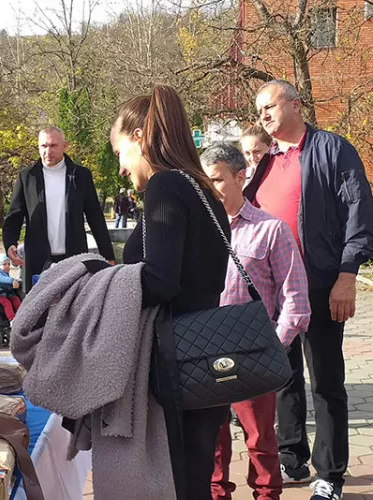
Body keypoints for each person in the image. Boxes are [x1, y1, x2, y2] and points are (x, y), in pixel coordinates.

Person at [244, 79, 373, 500]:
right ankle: (291, 456)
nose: (262, 114)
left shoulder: (333, 150)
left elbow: (358, 212)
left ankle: (330, 474)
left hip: (319, 284)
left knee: (326, 380)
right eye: (258, 109)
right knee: (282, 376)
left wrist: (347, 275)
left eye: (269, 106)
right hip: (273, 291)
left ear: (296, 105)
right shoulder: (266, 161)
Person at [112, 84, 230, 499]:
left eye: (120, 153)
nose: (122, 169)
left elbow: (162, 280)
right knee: (194, 480)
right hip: (205, 358)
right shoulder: (200, 187)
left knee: (179, 485)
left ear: (140, 137)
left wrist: (103, 287)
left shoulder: (167, 187)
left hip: (176, 363)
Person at [201, 143, 311, 500]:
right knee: (211, 446)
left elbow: (295, 298)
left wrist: (274, 347)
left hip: (254, 354)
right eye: (205, 180)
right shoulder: (197, 232)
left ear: (239, 176)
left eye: (217, 179)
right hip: (204, 353)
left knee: (262, 443)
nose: (211, 187)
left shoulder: (270, 230)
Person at [3, 126, 116, 291]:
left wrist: (108, 255)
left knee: (75, 308)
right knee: (39, 312)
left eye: (53, 146)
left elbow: (95, 217)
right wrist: (9, 243)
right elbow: (14, 216)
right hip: (38, 259)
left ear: (65, 146)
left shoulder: (81, 176)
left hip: (74, 257)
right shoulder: (27, 177)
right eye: (43, 146)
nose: (48, 151)